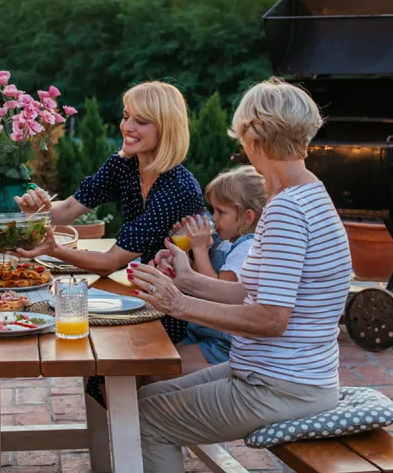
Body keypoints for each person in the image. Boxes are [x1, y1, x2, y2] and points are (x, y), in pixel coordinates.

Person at [128, 77, 351, 472]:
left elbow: (270, 319)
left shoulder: (286, 210)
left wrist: (179, 305)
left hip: (281, 386)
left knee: (146, 421)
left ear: (253, 138)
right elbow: (250, 292)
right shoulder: (307, 193)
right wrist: (187, 279)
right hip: (282, 376)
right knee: (143, 400)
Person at [14, 81, 205, 406]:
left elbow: (113, 261)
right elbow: (69, 211)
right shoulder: (125, 165)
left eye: (140, 121)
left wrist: (56, 250)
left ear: (166, 128)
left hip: (182, 305)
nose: (126, 127)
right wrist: (40, 209)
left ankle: (133, 441)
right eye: (126, 116)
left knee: (98, 354)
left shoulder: (177, 187)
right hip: (147, 292)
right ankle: (114, 446)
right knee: (88, 345)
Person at [144, 165, 267, 383]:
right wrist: (186, 252)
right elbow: (195, 280)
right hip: (202, 334)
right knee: (153, 360)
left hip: (221, 345)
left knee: (157, 371)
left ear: (247, 218)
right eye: (212, 210)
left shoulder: (247, 249)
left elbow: (217, 290)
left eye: (221, 212)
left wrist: (200, 249)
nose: (213, 218)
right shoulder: (224, 243)